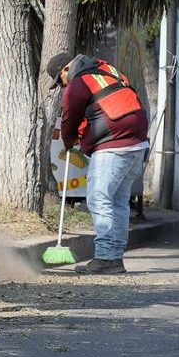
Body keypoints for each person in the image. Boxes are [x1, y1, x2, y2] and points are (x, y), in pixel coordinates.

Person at [46, 52, 149, 274]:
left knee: (98, 198)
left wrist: (68, 141)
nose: (63, 87)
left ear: (66, 70)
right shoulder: (107, 69)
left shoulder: (78, 83)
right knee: (118, 200)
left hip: (113, 144)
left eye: (60, 82)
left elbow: (69, 118)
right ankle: (115, 257)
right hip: (137, 142)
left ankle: (105, 257)